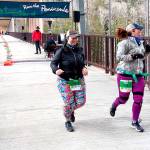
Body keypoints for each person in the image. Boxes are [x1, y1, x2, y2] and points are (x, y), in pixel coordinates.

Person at [110, 23, 150, 132]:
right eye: (139, 30)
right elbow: (119, 57)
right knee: (123, 99)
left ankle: (135, 121)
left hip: (138, 75)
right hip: (125, 75)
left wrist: (146, 52)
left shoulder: (140, 42)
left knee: (138, 99)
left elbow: (141, 57)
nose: (140, 31)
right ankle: (114, 105)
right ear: (132, 31)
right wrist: (132, 56)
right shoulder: (124, 43)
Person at [50, 30, 88, 132]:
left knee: (81, 101)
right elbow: (53, 63)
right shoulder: (61, 51)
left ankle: (69, 111)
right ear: (67, 38)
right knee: (68, 102)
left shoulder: (79, 50)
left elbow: (82, 63)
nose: (75, 40)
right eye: (72, 38)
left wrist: (84, 68)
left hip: (77, 80)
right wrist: (56, 70)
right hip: (65, 80)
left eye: (76, 38)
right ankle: (67, 121)